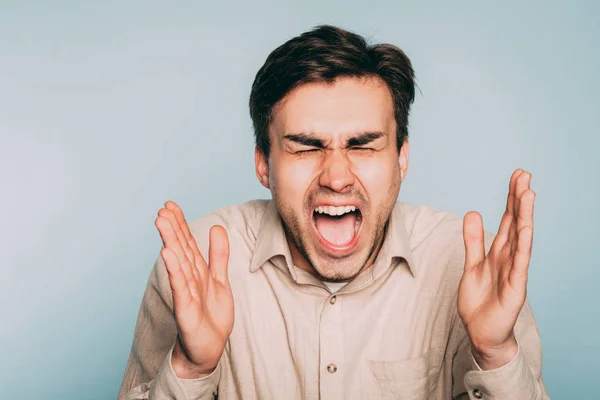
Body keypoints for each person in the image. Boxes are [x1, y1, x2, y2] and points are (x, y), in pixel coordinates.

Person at [118, 25, 549, 399]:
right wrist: (191, 369)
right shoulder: (192, 269)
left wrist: (495, 355)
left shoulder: (479, 270)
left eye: (363, 145)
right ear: (263, 164)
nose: (337, 177)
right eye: (306, 146)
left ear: (401, 159)